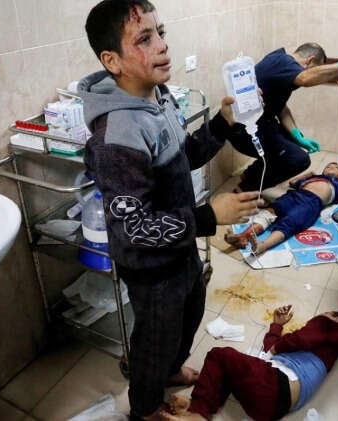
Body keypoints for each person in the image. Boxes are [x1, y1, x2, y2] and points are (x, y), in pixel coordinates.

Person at [80, 2, 262, 419]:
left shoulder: (158, 97)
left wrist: (223, 122)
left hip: (179, 248)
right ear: (112, 61)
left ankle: (170, 369)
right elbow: (134, 229)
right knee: (155, 339)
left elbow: (184, 155)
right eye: (144, 39)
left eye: (160, 32)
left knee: (189, 313)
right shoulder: (116, 137)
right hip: (150, 266)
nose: (162, 46)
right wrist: (208, 216)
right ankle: (145, 407)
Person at [159, 305, 338, 421]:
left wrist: (275, 348)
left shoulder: (329, 328)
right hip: (271, 407)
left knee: (219, 356)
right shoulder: (325, 353)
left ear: (335, 319)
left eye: (324, 314)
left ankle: (198, 413)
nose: (313, 321)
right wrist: (276, 326)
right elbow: (270, 351)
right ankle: (197, 408)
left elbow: (293, 341)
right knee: (228, 371)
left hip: (276, 387)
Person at [231, 43, 338, 193]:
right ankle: (244, 190)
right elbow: (305, 78)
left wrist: (297, 136)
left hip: (258, 123)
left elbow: (281, 109)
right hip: (244, 131)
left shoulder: (280, 62)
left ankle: (249, 175)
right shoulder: (282, 62)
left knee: (291, 142)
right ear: (310, 60)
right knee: (298, 160)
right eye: (317, 70)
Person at [224, 162, 338, 255]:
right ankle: (242, 236)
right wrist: (309, 174)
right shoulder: (314, 178)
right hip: (294, 195)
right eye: (328, 166)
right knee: (270, 211)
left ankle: (262, 246)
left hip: (311, 203)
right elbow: (293, 183)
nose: (331, 167)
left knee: (290, 223)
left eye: (336, 167)